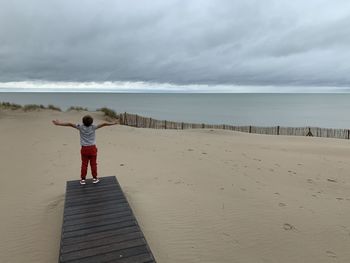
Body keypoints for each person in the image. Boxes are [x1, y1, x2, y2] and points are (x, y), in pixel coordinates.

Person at [52, 115, 118, 185]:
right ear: (91, 122)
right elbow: (104, 124)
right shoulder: (93, 127)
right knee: (93, 164)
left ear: (83, 122)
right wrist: (113, 123)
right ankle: (95, 178)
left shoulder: (80, 127)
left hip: (84, 149)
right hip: (92, 148)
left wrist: (58, 123)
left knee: (84, 164)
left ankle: (83, 180)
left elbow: (70, 124)